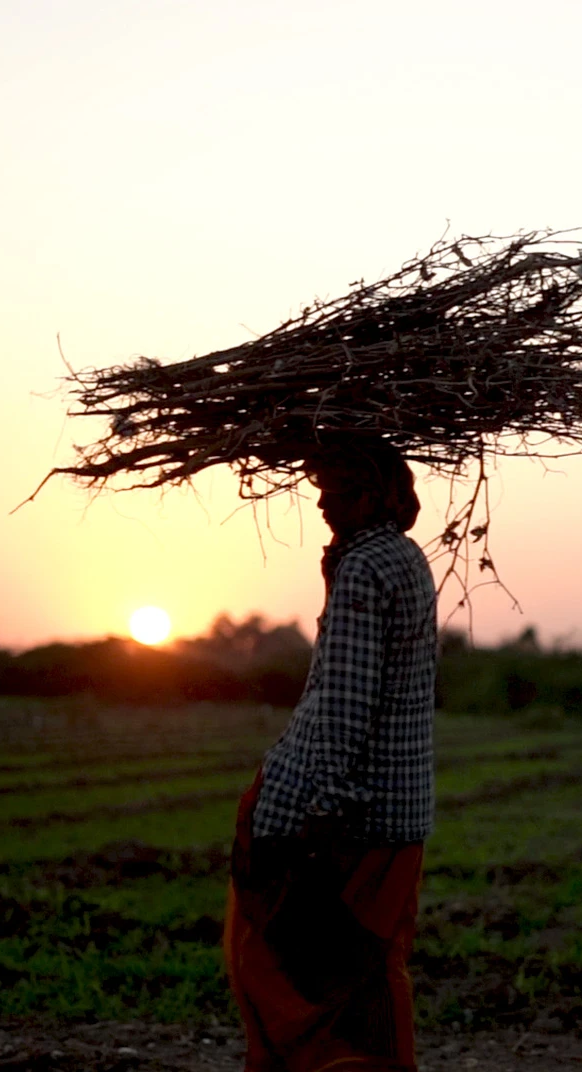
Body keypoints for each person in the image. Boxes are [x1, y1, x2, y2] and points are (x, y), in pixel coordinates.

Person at [224, 434, 438, 1072]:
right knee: (368, 971)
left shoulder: (364, 569)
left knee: (279, 967)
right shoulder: (404, 557)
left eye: (335, 489)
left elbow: (346, 699)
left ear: (371, 496)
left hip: (341, 816)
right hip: (398, 815)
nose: (320, 502)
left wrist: (325, 808)